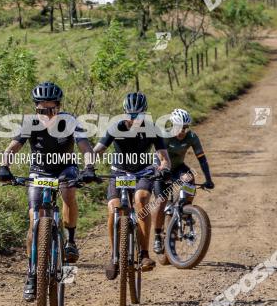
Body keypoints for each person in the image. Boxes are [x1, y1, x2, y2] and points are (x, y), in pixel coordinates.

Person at [0, 81, 97, 301]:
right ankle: (32, 275)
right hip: (39, 171)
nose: (46, 114)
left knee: (69, 193)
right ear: (35, 108)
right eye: (42, 110)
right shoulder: (30, 123)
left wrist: (89, 167)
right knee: (34, 222)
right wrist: (4, 166)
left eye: (51, 109)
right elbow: (13, 146)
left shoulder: (70, 121)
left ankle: (70, 241)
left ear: (59, 107)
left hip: (65, 168)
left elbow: (85, 147)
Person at [92, 92, 171, 277]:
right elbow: (98, 149)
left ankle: (144, 254)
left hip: (143, 172)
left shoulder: (152, 129)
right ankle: (114, 255)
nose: (134, 119)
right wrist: (88, 165)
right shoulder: (115, 128)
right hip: (119, 172)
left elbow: (163, 156)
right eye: (131, 115)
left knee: (141, 199)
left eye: (139, 115)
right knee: (113, 208)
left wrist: (164, 167)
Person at [151, 108, 214, 255]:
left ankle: (186, 209)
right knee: (161, 201)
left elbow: (202, 159)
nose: (183, 131)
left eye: (186, 127)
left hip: (178, 167)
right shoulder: (165, 136)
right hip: (161, 168)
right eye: (180, 127)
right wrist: (159, 172)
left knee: (190, 178)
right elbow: (156, 157)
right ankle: (157, 237)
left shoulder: (192, 137)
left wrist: (208, 179)